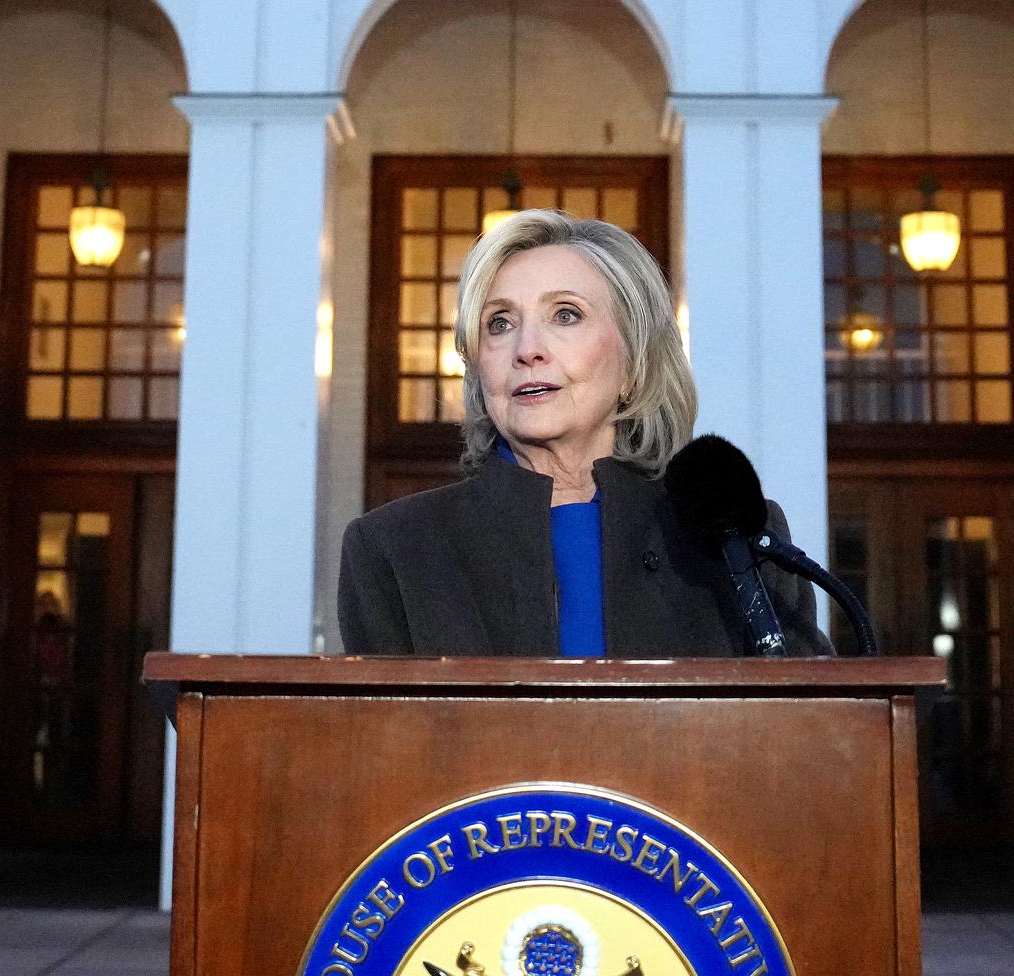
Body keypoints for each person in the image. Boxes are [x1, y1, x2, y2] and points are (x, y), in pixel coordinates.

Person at [338, 208, 825, 656]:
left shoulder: (734, 536)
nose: (527, 349)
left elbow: (808, 713)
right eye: (499, 323)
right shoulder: (394, 547)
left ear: (634, 360)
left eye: (565, 315)